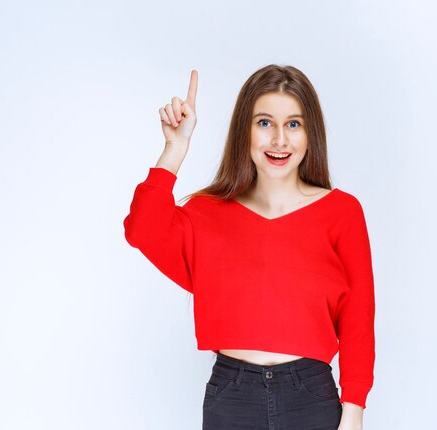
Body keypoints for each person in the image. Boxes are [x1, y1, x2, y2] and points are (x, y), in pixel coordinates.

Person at [123, 65, 375, 430]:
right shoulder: (207, 212)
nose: (279, 140)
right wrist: (176, 147)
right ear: (245, 130)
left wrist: (353, 412)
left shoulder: (342, 212)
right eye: (264, 123)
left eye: (293, 124)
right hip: (232, 396)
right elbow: (142, 229)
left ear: (310, 135)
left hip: (311, 399)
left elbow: (359, 319)